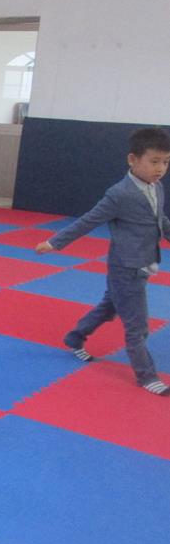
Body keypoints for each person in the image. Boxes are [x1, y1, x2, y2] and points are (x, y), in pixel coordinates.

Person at [36, 127, 170, 395]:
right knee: (137, 325)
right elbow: (89, 220)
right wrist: (55, 242)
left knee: (110, 307)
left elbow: (159, 220)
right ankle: (146, 376)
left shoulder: (156, 187)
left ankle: (74, 337)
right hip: (126, 267)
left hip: (145, 261)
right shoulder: (119, 194)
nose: (160, 168)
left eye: (166, 162)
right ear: (132, 159)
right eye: (154, 161)